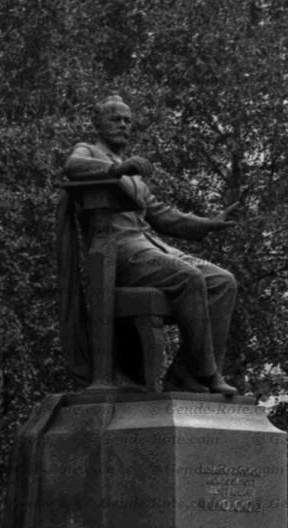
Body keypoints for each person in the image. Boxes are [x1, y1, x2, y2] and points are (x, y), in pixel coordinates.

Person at [63, 95, 238, 395]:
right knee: (188, 276)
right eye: (115, 119)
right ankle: (208, 373)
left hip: (152, 248)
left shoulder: (131, 173)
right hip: (119, 251)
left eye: (128, 121)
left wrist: (207, 223)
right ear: (98, 124)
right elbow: (72, 165)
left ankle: (185, 374)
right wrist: (114, 172)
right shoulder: (91, 151)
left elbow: (162, 215)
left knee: (223, 281)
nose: (123, 125)